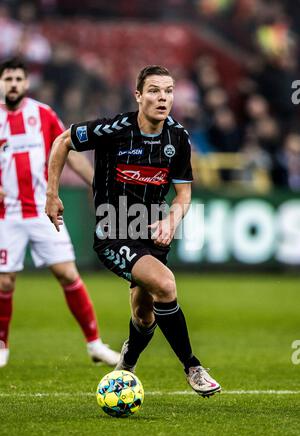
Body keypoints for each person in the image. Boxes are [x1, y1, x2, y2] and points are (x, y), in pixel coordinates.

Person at [45, 65, 221, 397]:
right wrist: (52, 193)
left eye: (168, 91)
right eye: (154, 90)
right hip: (112, 230)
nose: (163, 97)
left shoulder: (178, 138)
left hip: (152, 231)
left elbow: (183, 195)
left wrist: (171, 220)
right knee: (166, 285)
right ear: (138, 95)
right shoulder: (114, 129)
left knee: (144, 315)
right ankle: (193, 366)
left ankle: (126, 364)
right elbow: (62, 141)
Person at [0, 58, 120, 367]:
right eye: (8, 79)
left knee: (68, 273)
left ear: (26, 83)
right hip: (6, 215)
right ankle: (2, 345)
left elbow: (67, 150)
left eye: (18, 78)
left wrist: (97, 184)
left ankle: (95, 344)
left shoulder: (41, 114)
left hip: (43, 210)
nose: (13, 84)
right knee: (5, 282)